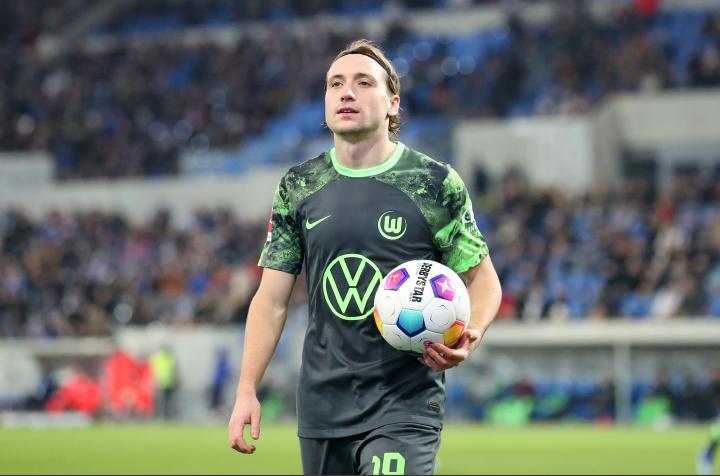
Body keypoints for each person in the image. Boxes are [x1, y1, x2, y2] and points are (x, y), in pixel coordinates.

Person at [227, 39, 502, 475]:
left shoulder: (432, 183)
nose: (346, 93)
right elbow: (271, 300)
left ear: (393, 104)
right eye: (335, 83)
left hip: (404, 403)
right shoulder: (299, 186)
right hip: (322, 407)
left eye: (363, 83)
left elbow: (484, 281)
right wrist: (247, 388)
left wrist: (472, 333)